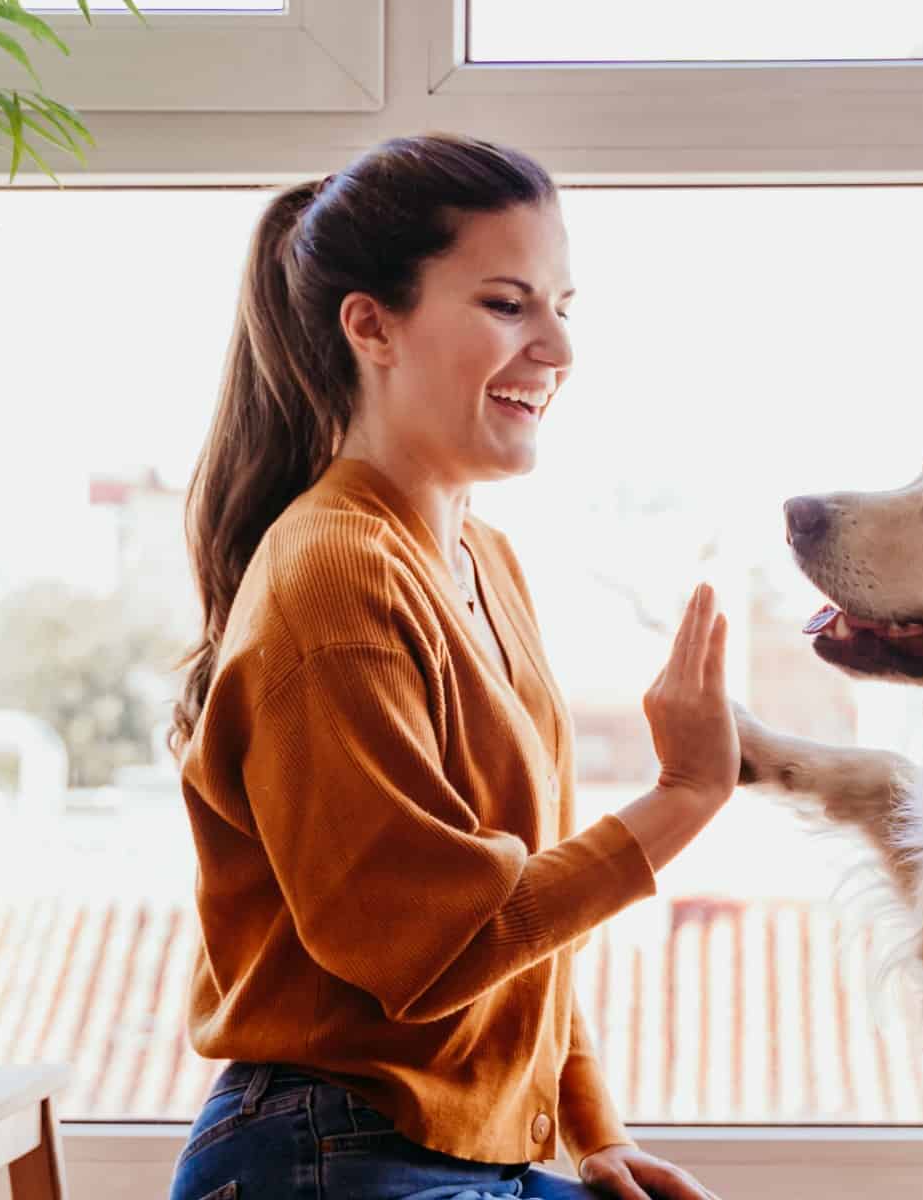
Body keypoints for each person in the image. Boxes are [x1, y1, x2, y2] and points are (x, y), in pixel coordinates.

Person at [165, 133, 739, 1200]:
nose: (558, 346)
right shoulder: (334, 578)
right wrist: (685, 796)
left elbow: (522, 909)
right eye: (507, 304)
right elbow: (434, 947)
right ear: (370, 325)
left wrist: (589, 1127)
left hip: (452, 1153)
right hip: (331, 1156)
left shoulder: (478, 559)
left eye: (563, 304)